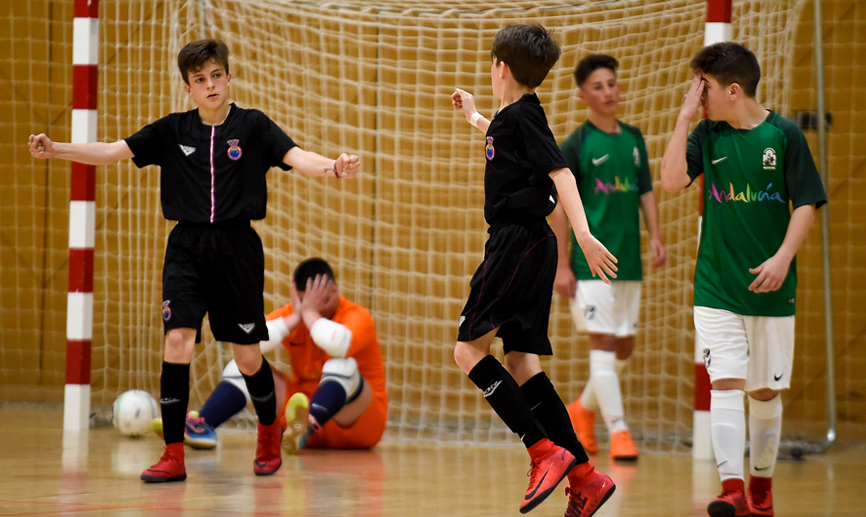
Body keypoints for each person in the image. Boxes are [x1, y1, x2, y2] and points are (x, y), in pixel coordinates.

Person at [27, 39, 360, 483]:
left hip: (237, 250)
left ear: (228, 77)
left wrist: (334, 166)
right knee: (177, 343)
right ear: (188, 89)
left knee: (246, 357)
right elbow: (112, 151)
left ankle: (268, 431)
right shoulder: (172, 131)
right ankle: (173, 454)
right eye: (199, 80)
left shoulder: (254, 126)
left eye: (215, 76)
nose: (210, 85)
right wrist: (58, 149)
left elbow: (298, 158)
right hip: (184, 250)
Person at [450, 24, 617, 517]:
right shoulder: (513, 117)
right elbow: (508, 143)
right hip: (533, 244)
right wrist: (477, 116)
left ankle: (543, 451)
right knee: (522, 364)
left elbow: (560, 171)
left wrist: (584, 236)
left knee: (467, 351)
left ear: (501, 67)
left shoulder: (522, 118)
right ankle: (586, 478)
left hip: (516, 241)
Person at [660, 42, 826, 517]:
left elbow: (807, 204)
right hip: (715, 286)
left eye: (704, 88)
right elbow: (671, 181)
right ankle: (730, 487)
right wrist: (683, 119)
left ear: (733, 90)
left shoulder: (785, 136)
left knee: (765, 391)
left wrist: (782, 258)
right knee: (725, 383)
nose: (698, 95)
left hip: (771, 289)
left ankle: (761, 488)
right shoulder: (706, 135)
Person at [551, 54, 666, 462]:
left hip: (629, 262)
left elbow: (646, 191)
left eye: (612, 84)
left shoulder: (634, 139)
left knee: (623, 351)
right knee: (601, 344)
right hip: (590, 265)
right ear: (583, 95)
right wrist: (563, 265)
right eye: (598, 87)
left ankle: (580, 410)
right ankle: (619, 431)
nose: (608, 92)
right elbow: (561, 208)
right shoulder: (576, 144)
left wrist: (655, 236)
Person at [153, 257, 387, 453]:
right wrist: (294, 318)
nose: (315, 308)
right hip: (300, 420)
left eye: (323, 301)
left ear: (335, 290)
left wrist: (310, 313)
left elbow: (338, 344)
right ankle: (202, 426)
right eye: (306, 301)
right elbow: (250, 342)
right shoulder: (293, 314)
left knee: (342, 364)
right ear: (297, 296)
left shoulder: (358, 316)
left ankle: (306, 425)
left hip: (359, 424)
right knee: (244, 363)